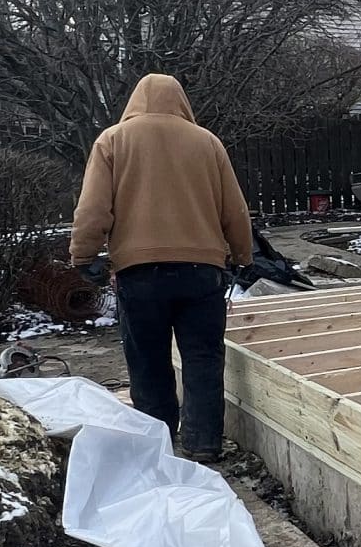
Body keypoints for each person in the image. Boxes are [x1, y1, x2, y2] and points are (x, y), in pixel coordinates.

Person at [69, 73, 255, 464]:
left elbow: (93, 208)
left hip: (139, 274)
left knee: (148, 359)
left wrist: (83, 256)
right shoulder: (207, 142)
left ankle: (157, 441)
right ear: (181, 102)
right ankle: (203, 443)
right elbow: (234, 210)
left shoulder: (113, 140)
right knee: (203, 357)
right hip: (201, 272)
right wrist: (242, 257)